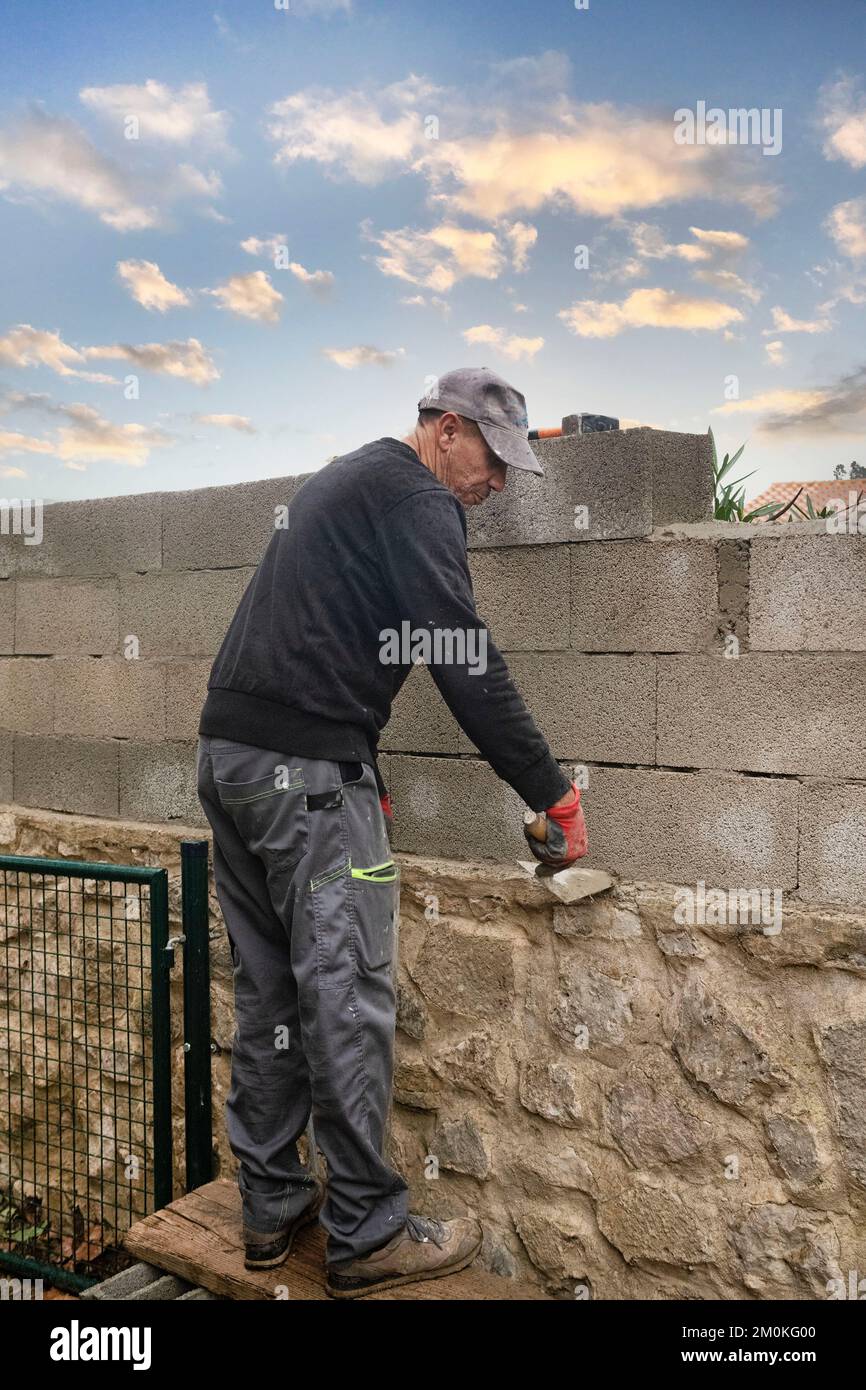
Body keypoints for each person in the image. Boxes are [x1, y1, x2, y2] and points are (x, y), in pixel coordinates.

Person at [196, 366, 588, 1299]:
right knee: (346, 996)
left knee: (272, 998)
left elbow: (313, 638)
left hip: (234, 762)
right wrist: (547, 792)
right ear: (446, 429)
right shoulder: (417, 499)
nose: (496, 484)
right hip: (304, 785)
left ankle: (270, 1207)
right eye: (491, 460)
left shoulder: (347, 478)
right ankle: (367, 1235)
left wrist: (350, 765)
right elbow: (459, 651)